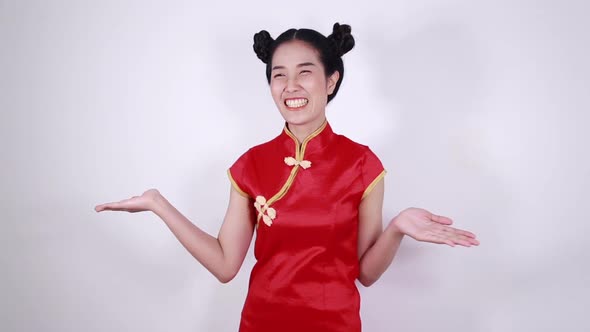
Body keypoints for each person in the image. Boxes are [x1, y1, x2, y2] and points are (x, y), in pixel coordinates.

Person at [95, 22, 479, 332]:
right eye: (279, 75)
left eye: (305, 73)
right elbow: (226, 265)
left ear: (331, 81)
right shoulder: (250, 164)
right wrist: (158, 205)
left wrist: (396, 227)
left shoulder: (362, 164)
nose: (290, 86)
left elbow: (366, 273)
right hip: (261, 324)